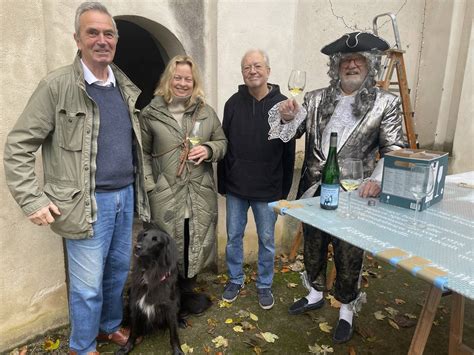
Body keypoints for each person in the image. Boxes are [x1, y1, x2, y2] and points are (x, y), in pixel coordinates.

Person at [3, 2, 150, 354]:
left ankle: (108, 326)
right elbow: (18, 146)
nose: (102, 40)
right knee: (86, 287)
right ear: (77, 39)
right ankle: (81, 347)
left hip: (124, 196)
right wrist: (32, 199)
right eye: (93, 32)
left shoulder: (124, 87)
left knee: (116, 275)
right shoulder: (57, 86)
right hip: (85, 203)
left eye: (108, 33)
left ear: (116, 39)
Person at [268, 32, 405, 342]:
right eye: (346, 60)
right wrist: (286, 115)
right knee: (313, 247)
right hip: (314, 188)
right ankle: (315, 294)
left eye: (358, 60)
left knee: (348, 254)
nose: (352, 64)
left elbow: (396, 150)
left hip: (355, 192)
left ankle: (346, 309)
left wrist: (376, 181)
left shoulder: (386, 102)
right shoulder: (316, 98)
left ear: (369, 65)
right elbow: (289, 132)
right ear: (336, 66)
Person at [140, 55, 227, 314]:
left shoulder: (205, 112)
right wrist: (151, 186)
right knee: (166, 248)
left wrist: (210, 150)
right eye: (177, 77)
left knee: (192, 243)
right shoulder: (151, 114)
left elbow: (222, 142)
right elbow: (142, 154)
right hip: (166, 196)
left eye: (188, 79)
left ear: (194, 82)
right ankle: (165, 301)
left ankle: (186, 296)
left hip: (197, 194)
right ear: (168, 79)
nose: (182, 83)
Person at [217, 49, 295, 310]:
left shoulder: (284, 105)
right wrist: (223, 182)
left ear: (268, 71)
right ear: (242, 73)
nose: (252, 71)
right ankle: (235, 279)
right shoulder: (232, 103)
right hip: (237, 186)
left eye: (258, 65)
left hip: (268, 188)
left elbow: (289, 149)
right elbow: (224, 144)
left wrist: (283, 190)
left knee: (267, 241)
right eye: (247, 67)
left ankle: (264, 285)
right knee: (233, 238)